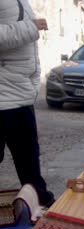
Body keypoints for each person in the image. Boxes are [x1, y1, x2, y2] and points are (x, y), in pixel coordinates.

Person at [0, 0, 55, 207]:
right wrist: (31, 27)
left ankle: (40, 205)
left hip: (19, 94)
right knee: (28, 162)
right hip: (4, 97)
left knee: (29, 163)